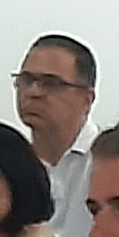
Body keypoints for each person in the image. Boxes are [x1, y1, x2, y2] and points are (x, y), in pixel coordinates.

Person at [15, 33, 103, 206]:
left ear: (86, 99)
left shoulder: (110, 161)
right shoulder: (9, 169)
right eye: (27, 80)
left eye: (51, 83)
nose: (34, 92)